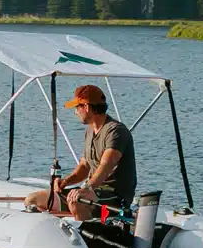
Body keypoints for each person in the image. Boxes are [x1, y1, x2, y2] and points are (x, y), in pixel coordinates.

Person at [24, 84, 137, 222]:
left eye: (77, 108)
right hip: (91, 191)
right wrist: (66, 182)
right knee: (32, 200)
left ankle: (85, 238)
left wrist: (87, 188)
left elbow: (106, 165)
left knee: (77, 201)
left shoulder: (116, 131)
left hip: (114, 196)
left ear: (87, 107)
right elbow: (84, 166)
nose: (76, 112)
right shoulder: (89, 131)